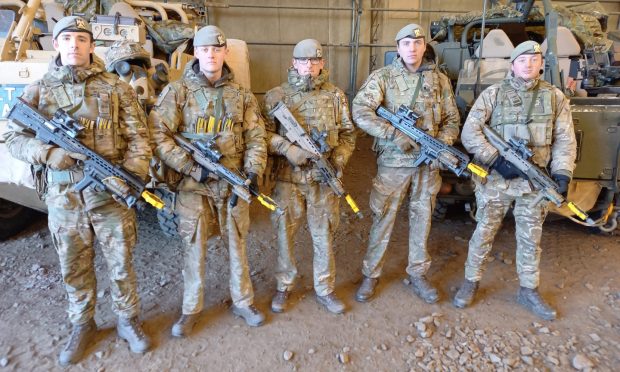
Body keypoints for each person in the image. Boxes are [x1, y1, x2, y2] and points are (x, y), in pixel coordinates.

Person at [4, 16, 152, 365]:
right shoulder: (40, 89)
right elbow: (13, 137)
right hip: (64, 198)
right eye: (67, 38)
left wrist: (128, 176)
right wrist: (48, 153)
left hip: (110, 196)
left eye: (81, 39)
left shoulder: (116, 88)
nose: (74, 45)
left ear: (91, 45)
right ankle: (82, 324)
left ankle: (128, 321)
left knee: (121, 263)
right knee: (74, 266)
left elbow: (139, 138)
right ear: (56, 44)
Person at [149, 25, 267, 336]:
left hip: (232, 183)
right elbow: (158, 136)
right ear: (196, 53)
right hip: (192, 186)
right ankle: (191, 309)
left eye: (217, 49)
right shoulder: (177, 92)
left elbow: (256, 136)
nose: (211, 55)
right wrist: (190, 167)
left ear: (226, 52)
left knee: (238, 244)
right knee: (193, 247)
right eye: (204, 50)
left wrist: (254, 171)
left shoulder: (241, 95)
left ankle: (243, 301)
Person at [453, 41, 577, 320]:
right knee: (483, 233)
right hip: (497, 182)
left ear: (541, 64)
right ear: (513, 65)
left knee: (531, 239)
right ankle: (470, 282)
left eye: (534, 60)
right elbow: (470, 132)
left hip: (534, 184)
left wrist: (562, 173)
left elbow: (565, 141)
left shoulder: (555, 97)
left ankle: (529, 289)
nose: (529, 65)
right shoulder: (493, 94)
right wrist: (495, 159)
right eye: (523, 60)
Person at [352, 24, 460, 304]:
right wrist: (391, 133)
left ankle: (417, 273)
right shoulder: (383, 77)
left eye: (417, 43)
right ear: (398, 47)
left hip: (428, 165)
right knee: (383, 216)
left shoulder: (440, 80)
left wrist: (442, 144)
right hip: (394, 162)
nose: (412, 48)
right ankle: (371, 274)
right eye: (406, 43)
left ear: (425, 46)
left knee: (423, 216)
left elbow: (451, 119)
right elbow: (360, 110)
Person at [262, 39, 356, 314]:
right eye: (303, 61)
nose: (309, 66)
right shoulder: (276, 96)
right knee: (284, 234)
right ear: (293, 62)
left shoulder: (336, 96)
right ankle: (284, 285)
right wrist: (287, 148)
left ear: (322, 63)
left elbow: (349, 135)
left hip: (322, 180)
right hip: (287, 180)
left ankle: (325, 288)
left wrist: (337, 159)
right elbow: (261, 136)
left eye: (315, 61)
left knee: (323, 233)